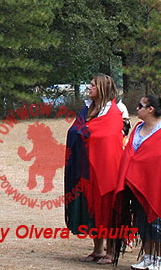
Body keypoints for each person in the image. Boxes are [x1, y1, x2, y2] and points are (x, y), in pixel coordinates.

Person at [64, 73, 124, 264]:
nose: (88, 88)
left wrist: (85, 133)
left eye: (93, 85)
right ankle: (97, 249)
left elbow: (106, 136)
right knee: (91, 207)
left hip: (106, 168)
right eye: (89, 84)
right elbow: (74, 130)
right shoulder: (87, 109)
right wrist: (83, 133)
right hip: (86, 167)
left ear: (103, 89)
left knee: (107, 207)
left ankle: (112, 251)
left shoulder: (113, 112)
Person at [112, 94, 161, 270]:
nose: (137, 108)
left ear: (151, 110)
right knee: (142, 221)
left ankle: (158, 258)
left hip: (155, 185)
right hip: (136, 184)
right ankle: (147, 257)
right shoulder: (138, 128)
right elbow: (130, 153)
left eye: (140, 106)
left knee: (156, 223)